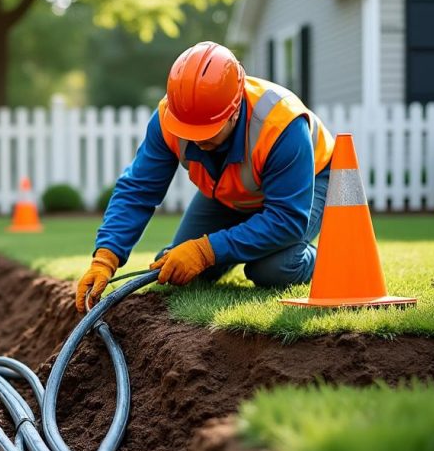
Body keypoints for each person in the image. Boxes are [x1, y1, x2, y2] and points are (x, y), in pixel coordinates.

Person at [75, 41, 334, 312]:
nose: (196, 140)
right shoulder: (169, 118)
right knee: (176, 270)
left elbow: (287, 220)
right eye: (187, 130)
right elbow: (138, 189)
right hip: (231, 193)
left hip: (312, 181)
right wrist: (105, 257)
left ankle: (331, 260)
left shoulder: (282, 124)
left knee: (273, 269)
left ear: (234, 111)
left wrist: (206, 250)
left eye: (207, 130)